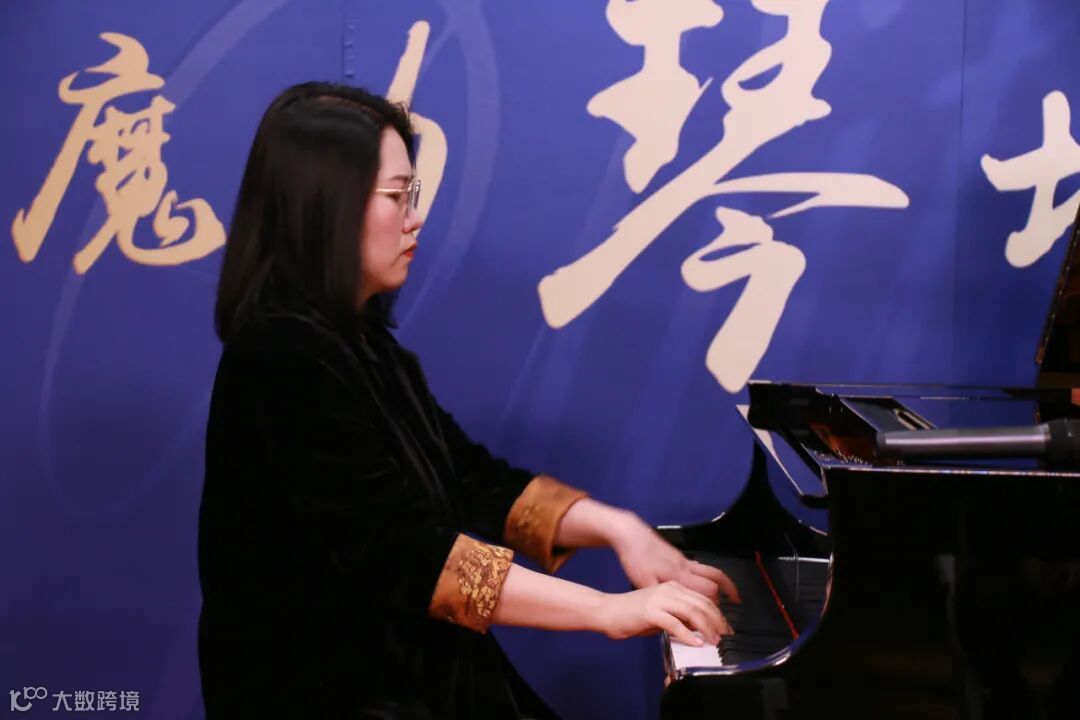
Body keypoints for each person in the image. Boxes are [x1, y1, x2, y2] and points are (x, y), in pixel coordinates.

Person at [197, 81, 738, 719]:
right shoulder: (281, 358)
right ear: (325, 207)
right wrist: (606, 610)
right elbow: (407, 556)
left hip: (411, 677)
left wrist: (620, 530)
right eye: (396, 196)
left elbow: (469, 478)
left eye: (413, 194)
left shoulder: (362, 344)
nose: (415, 217)